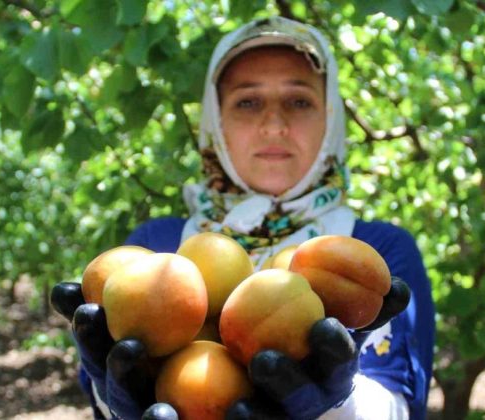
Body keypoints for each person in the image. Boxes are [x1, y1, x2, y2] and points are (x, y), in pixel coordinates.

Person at [51, 16, 435, 420]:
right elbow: (116, 375)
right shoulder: (154, 244)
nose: (274, 126)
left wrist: (340, 408)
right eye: (247, 102)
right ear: (216, 122)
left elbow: (401, 404)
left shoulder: (380, 250)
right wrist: (109, 399)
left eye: (299, 100)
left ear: (330, 117)